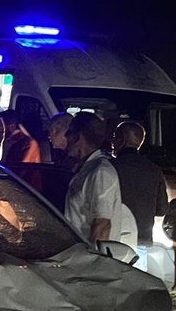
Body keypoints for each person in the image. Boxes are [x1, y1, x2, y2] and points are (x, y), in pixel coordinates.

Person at [63, 112, 137, 250]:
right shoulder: (88, 168)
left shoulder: (100, 172)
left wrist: (93, 262)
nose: (66, 136)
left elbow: (102, 226)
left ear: (79, 137)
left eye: (69, 132)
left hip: (86, 263)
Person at [111, 120, 169, 270]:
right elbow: (161, 209)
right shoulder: (154, 170)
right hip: (141, 240)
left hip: (113, 240)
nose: (112, 141)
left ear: (121, 139)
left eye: (115, 137)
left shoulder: (109, 167)